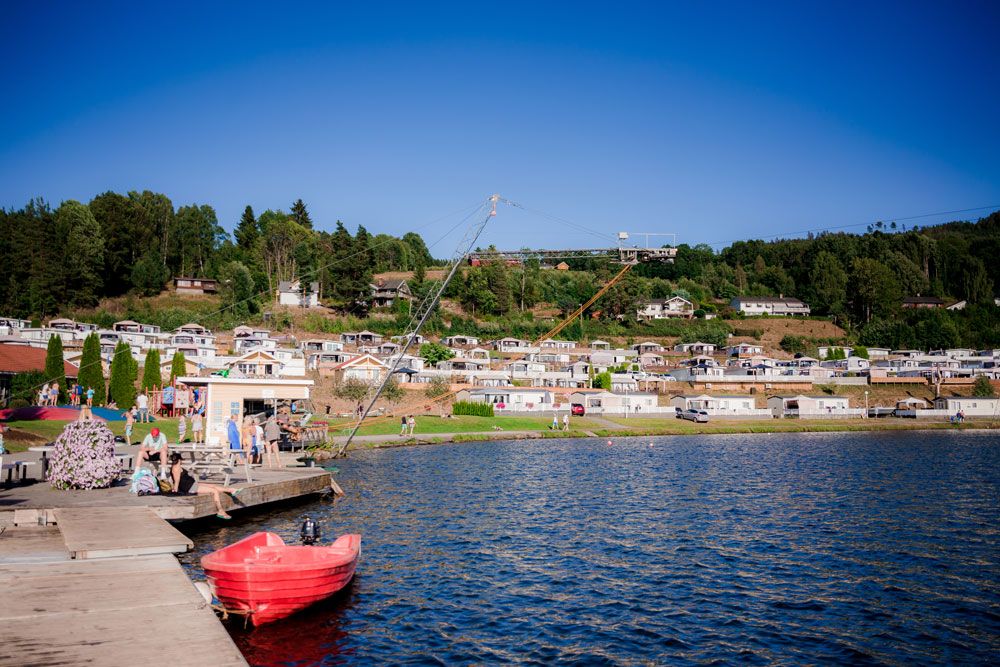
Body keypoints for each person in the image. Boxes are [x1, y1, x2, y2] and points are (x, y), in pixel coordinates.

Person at [168, 453, 242, 520]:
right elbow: (176, 481)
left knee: (213, 486)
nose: (182, 461)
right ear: (179, 460)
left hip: (192, 484)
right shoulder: (176, 468)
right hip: (190, 487)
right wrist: (175, 491)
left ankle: (231, 490)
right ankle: (220, 511)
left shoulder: (176, 467)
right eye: (181, 460)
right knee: (214, 491)